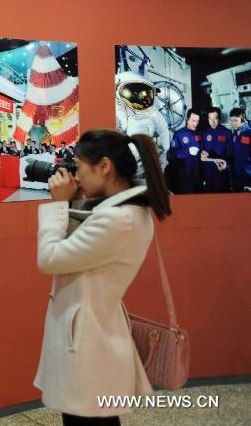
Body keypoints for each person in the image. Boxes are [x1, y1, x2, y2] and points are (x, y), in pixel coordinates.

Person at [35, 129, 171, 425]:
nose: (76, 175)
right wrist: (73, 203)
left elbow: (49, 259)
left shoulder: (118, 220)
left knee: (89, 420)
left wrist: (58, 205)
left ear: (104, 166)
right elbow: (81, 251)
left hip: (90, 344)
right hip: (94, 334)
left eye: (79, 166)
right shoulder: (122, 212)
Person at [169, 109, 202, 194]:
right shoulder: (179, 134)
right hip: (184, 176)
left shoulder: (200, 133)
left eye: (197, 121)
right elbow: (173, 154)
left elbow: (202, 149)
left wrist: (203, 153)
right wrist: (187, 151)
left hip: (197, 174)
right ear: (187, 120)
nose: (195, 124)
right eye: (193, 121)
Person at [199, 107, 232, 193]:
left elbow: (231, 154)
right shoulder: (204, 132)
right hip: (208, 173)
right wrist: (203, 153)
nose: (212, 122)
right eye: (210, 118)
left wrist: (226, 165)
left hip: (221, 172)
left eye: (215, 119)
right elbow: (202, 149)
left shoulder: (227, 133)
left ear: (219, 119)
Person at [228, 108, 250, 192]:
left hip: (247, 173)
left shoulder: (249, 132)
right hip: (236, 173)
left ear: (242, 118)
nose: (233, 123)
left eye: (235, 120)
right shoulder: (234, 134)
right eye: (231, 120)